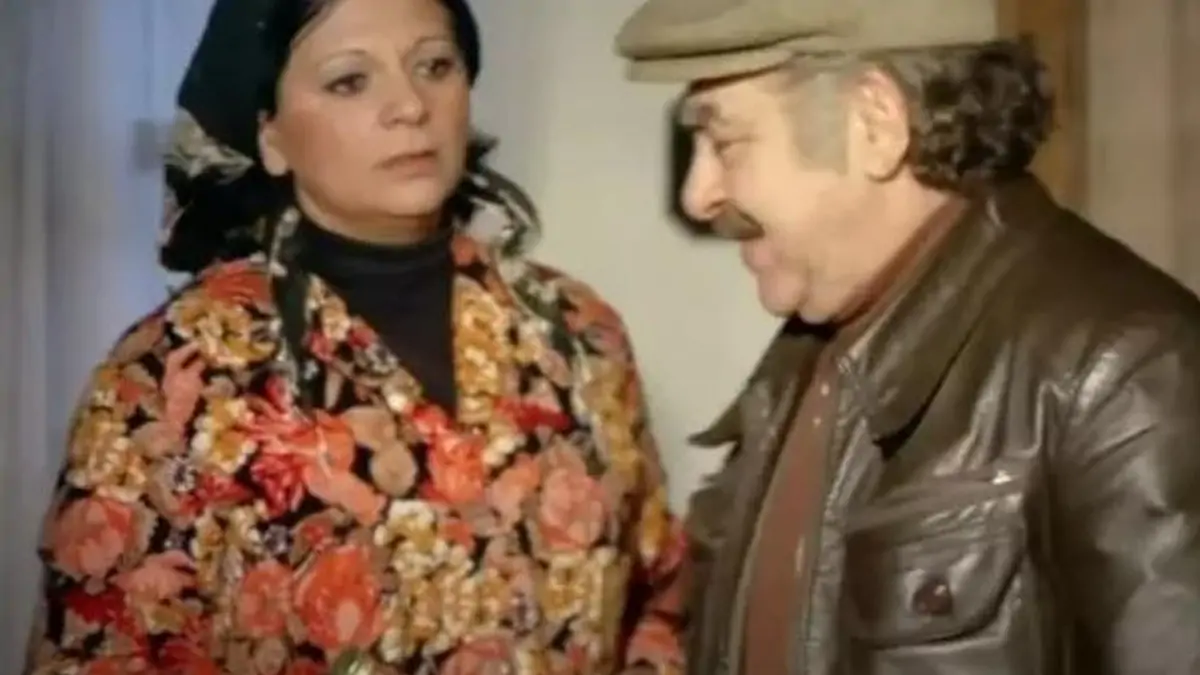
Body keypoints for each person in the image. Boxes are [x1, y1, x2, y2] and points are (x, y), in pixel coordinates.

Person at [22, 0, 686, 672]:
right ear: (271, 135)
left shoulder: (575, 330)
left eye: (435, 66)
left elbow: (660, 600)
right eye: (349, 81)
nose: (410, 106)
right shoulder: (170, 378)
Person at [611, 0, 1200, 673]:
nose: (699, 194)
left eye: (726, 142)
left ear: (876, 122)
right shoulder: (817, 347)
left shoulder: (1124, 370)